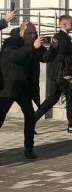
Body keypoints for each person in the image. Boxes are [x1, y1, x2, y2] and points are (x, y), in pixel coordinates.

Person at [0, 22, 54, 159]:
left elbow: (45, 58)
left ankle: (29, 148)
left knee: (30, 117)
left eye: (35, 33)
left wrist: (53, 48)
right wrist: (32, 47)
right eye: (30, 33)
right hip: (8, 87)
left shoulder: (35, 44)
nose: (33, 35)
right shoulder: (11, 42)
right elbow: (12, 56)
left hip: (25, 88)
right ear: (21, 32)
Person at [34, 15, 72, 134]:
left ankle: (31, 122)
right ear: (64, 24)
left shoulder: (60, 37)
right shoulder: (60, 37)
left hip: (56, 74)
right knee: (71, 97)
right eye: (71, 22)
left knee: (52, 99)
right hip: (62, 75)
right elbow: (60, 56)